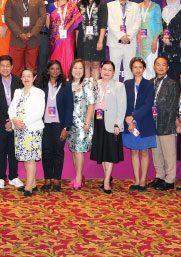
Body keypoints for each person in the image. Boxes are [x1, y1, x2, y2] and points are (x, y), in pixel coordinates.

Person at [8, 68, 46, 197]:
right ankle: (33, 183)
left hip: (32, 129)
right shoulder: (18, 92)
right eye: (24, 76)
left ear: (34, 78)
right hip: (19, 130)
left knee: (30, 158)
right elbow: (11, 109)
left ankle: (28, 186)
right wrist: (14, 120)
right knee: (25, 157)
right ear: (21, 78)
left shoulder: (39, 93)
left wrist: (22, 123)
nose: (26, 78)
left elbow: (39, 113)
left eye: (29, 76)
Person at [90, 60, 126, 194]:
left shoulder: (119, 86)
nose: (106, 72)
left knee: (110, 152)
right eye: (104, 69)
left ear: (114, 72)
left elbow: (122, 107)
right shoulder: (95, 84)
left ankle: (106, 182)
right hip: (98, 121)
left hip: (111, 122)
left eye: (110, 70)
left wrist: (118, 124)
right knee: (103, 152)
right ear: (100, 70)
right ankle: (107, 177)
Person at [0, 55, 23, 189]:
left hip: (15, 122)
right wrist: (5, 121)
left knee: (13, 150)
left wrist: (13, 121)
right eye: (2, 66)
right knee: (1, 150)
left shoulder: (18, 81)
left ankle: (13, 176)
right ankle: (1, 177)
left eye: (8, 66)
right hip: (0, 121)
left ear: (12, 67)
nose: (5, 68)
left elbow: (21, 102)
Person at [38, 60, 74, 192]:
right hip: (44, 124)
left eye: (57, 68)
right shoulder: (42, 85)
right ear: (48, 70)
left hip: (60, 125)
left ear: (60, 71)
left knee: (58, 152)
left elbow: (69, 107)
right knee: (46, 152)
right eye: (52, 68)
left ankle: (57, 179)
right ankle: (47, 179)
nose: (55, 71)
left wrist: (66, 128)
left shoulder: (66, 86)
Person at [123, 57, 156, 191]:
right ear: (131, 69)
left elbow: (148, 104)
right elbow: (123, 103)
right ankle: (136, 180)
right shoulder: (126, 84)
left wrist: (133, 118)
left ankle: (143, 181)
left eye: (140, 67)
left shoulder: (149, 84)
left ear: (144, 69)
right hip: (129, 123)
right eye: (135, 67)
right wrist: (128, 119)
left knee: (144, 152)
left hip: (144, 122)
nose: (137, 70)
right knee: (134, 151)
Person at [5, 0, 46, 75]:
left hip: (33, 39)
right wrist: (19, 34)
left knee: (31, 69)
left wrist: (32, 33)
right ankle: (16, 86)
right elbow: (8, 18)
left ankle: (31, 85)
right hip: (17, 39)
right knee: (16, 69)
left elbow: (42, 17)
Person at [150, 57, 180, 191]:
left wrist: (168, 126)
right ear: (154, 67)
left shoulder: (172, 84)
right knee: (156, 153)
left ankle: (170, 179)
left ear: (167, 67)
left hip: (166, 125)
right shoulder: (151, 82)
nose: (161, 67)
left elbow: (173, 107)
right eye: (158, 64)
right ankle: (160, 176)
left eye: (163, 65)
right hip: (153, 124)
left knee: (169, 154)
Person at [67, 59, 96, 190]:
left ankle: (79, 178)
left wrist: (87, 122)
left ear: (84, 71)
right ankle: (78, 176)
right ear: (71, 70)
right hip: (70, 123)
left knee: (79, 151)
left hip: (82, 123)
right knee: (74, 150)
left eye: (80, 68)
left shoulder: (87, 83)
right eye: (75, 68)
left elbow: (92, 104)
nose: (77, 71)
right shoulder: (68, 84)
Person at [107, 0, 141, 80]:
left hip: (130, 42)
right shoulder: (109, 5)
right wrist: (121, 36)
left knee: (129, 68)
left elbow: (137, 22)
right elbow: (110, 23)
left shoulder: (135, 6)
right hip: (115, 42)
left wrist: (128, 37)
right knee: (114, 68)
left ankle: (128, 89)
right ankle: (114, 89)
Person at [47, 0, 83, 73]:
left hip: (69, 39)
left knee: (69, 59)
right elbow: (47, 22)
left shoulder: (73, 7)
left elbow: (76, 25)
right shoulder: (51, 6)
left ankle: (68, 79)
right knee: (55, 60)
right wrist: (55, 33)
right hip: (55, 39)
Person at [77, 0, 109, 79]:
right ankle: (87, 87)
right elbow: (77, 26)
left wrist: (100, 41)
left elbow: (103, 24)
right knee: (85, 64)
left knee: (95, 64)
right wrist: (76, 43)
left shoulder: (102, 4)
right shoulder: (79, 4)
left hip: (97, 39)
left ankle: (95, 87)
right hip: (83, 39)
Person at [160, 0, 181, 80]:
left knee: (178, 75)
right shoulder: (164, 10)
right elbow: (160, 27)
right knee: (166, 75)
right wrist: (163, 38)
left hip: (178, 47)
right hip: (165, 48)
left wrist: (171, 39)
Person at [135, 0, 162, 73]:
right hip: (139, 42)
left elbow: (159, 25)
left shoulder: (156, 7)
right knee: (140, 66)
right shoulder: (137, 7)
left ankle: (151, 82)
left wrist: (155, 41)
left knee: (150, 66)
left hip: (151, 41)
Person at [33, 0, 54, 76]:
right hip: (31, 35)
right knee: (30, 63)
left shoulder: (50, 0)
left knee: (42, 64)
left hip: (44, 35)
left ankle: (41, 84)